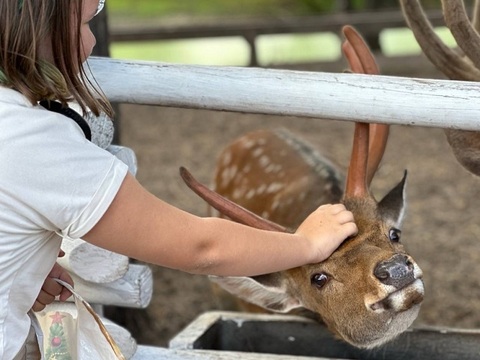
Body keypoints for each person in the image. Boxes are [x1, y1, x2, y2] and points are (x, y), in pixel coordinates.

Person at [0, 0, 358, 358]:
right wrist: (307, 245)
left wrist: (21, 271)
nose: (92, 42)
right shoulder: (39, 144)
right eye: (84, 24)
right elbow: (201, 248)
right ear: (35, 29)